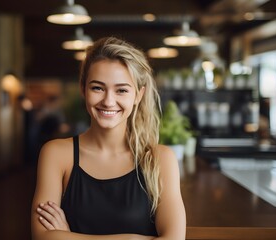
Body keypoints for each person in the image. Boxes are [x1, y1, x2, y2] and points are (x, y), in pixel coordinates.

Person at [31, 36, 186, 240]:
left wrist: (68, 236)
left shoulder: (160, 159)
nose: (108, 101)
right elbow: (41, 236)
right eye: (98, 88)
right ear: (83, 90)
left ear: (138, 96)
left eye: (121, 90)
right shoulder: (56, 153)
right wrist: (133, 239)